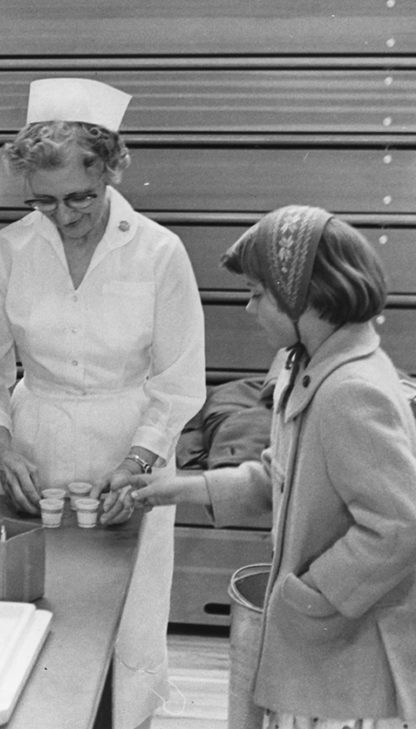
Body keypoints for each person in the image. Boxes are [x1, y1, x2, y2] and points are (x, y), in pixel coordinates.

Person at [0, 78, 206, 729]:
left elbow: (177, 384)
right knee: (39, 619)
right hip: (35, 451)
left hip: (132, 453)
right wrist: (1, 445)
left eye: (79, 198)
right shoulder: (9, 250)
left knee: (127, 619)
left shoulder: (158, 253)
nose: (63, 216)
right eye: (44, 201)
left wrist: (140, 463)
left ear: (112, 168)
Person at [131, 206, 416, 728]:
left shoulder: (350, 390)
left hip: (347, 658)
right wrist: (177, 488)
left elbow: (399, 525)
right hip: (322, 646)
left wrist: (310, 596)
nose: (248, 306)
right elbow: (280, 477)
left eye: (259, 292)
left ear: (301, 296)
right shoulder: (308, 366)